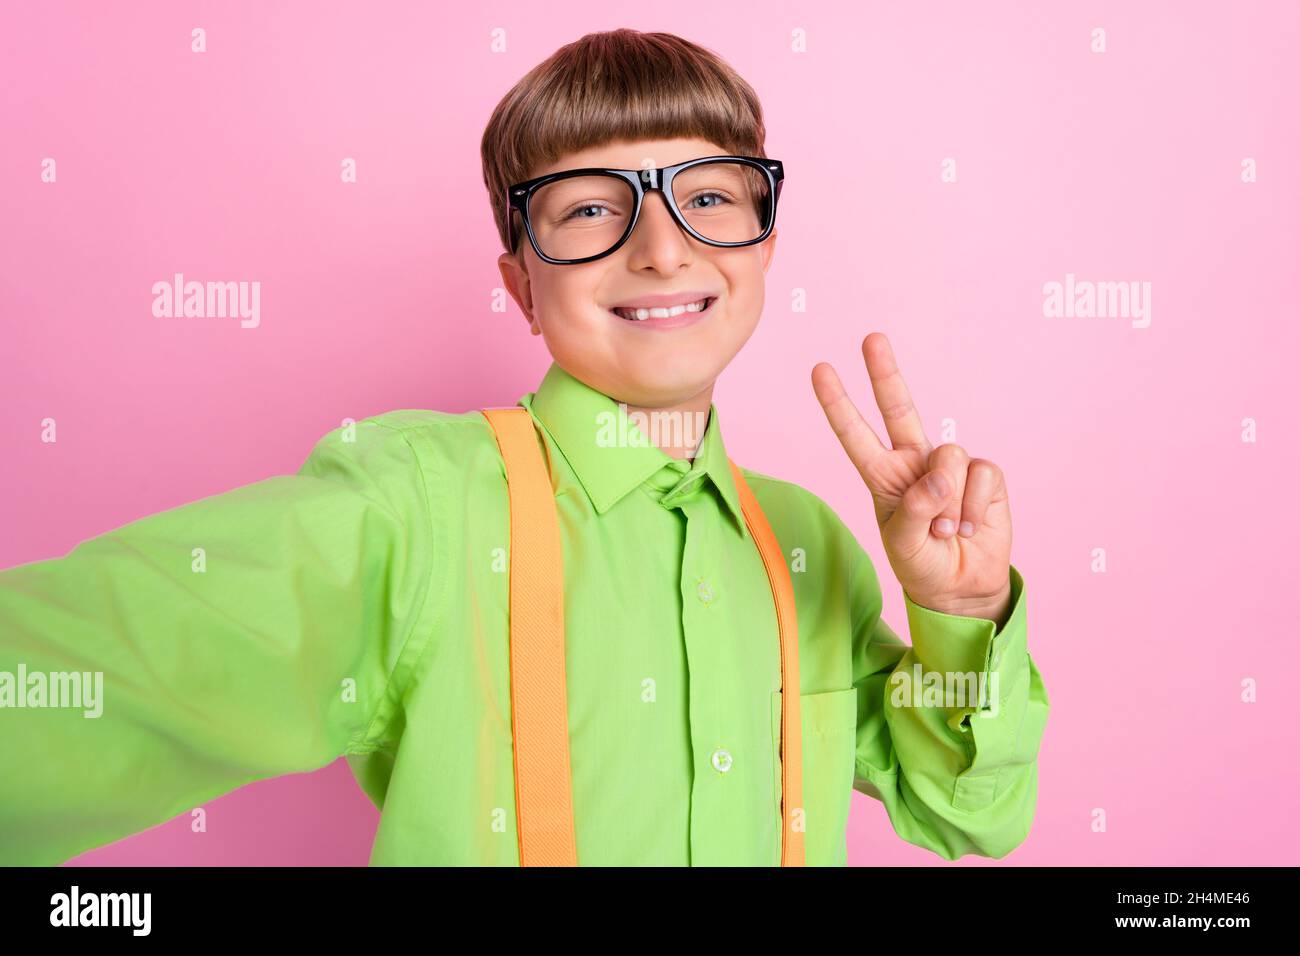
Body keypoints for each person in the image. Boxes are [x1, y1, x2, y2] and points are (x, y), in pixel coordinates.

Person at [0, 28, 1048, 866]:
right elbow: (128, 658)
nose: (662, 245)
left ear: (765, 243)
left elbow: (961, 808)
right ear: (521, 287)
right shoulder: (415, 503)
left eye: (710, 196)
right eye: (592, 207)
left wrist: (956, 617)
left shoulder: (806, 537)